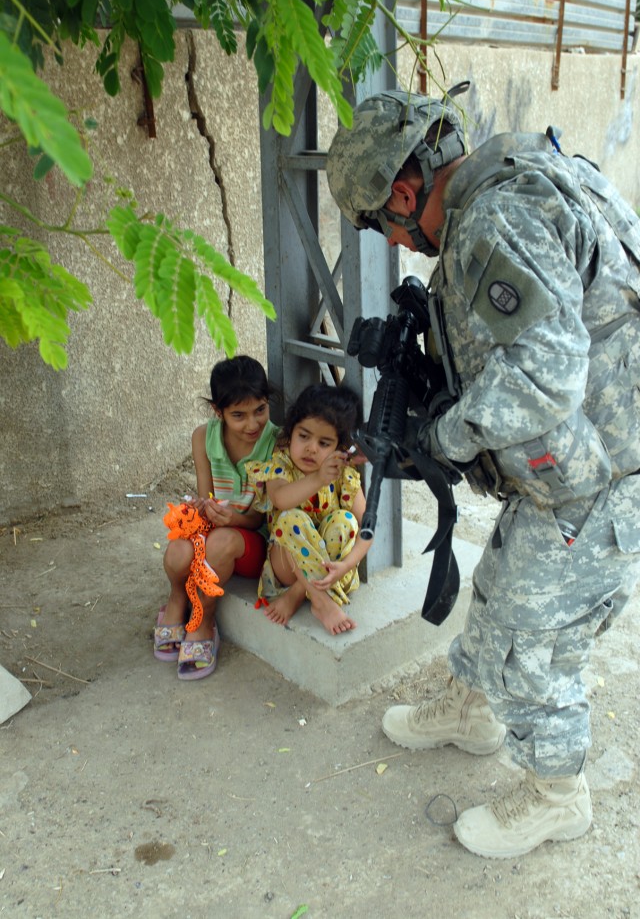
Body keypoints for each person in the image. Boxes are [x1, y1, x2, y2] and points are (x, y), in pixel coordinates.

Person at [326, 87, 640, 857]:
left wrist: (450, 432)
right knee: (498, 585)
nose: (396, 245)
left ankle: (556, 795)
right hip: (578, 454)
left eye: (382, 227)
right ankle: (473, 710)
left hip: (605, 470)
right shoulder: (517, 171)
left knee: (535, 638)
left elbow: (547, 374)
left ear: (405, 191)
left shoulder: (490, 222)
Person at [155, 355, 280, 680]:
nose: (252, 424)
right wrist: (201, 508)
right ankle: (177, 597)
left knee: (221, 541)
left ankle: (204, 620)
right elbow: (207, 496)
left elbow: (259, 519)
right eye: (239, 415)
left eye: (260, 410)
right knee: (178, 548)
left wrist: (231, 520)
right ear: (218, 411)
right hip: (215, 531)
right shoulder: (203, 437)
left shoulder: (276, 443)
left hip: (251, 541)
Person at [246, 383, 371, 635]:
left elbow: (369, 526)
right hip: (285, 567)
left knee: (345, 519)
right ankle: (321, 602)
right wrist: (317, 480)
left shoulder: (343, 474)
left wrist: (347, 566)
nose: (311, 448)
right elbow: (280, 499)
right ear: (290, 434)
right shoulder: (280, 465)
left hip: (332, 574)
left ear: (339, 448)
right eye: (304, 436)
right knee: (292, 518)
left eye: (324, 443)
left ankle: (299, 594)